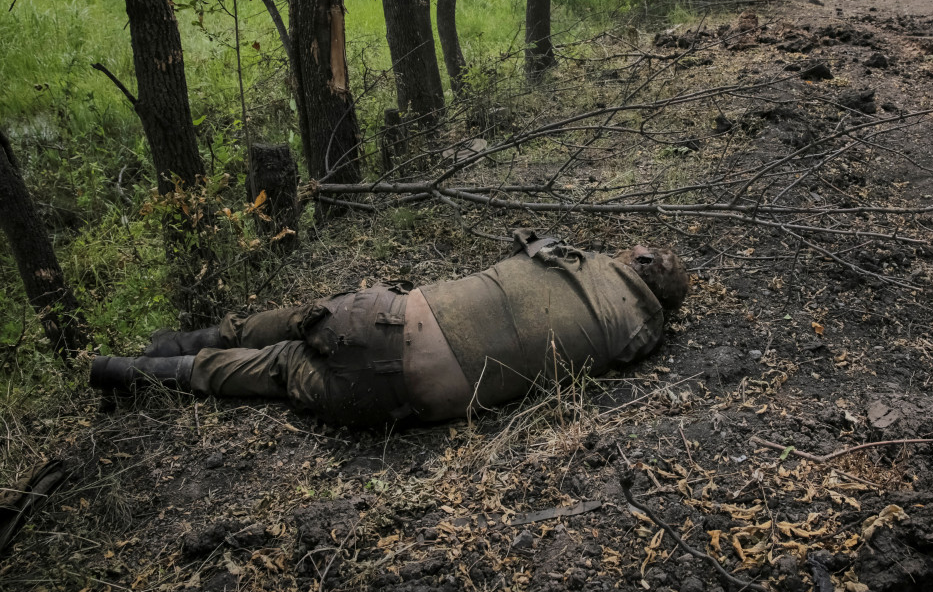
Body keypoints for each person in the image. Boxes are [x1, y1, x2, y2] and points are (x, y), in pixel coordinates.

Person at [89, 230, 688, 428]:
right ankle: (141, 372)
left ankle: (182, 341)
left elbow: (528, 245)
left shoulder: (581, 260)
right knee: (280, 368)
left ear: (636, 265)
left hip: (383, 321)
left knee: (297, 324)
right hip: (391, 403)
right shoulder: (634, 338)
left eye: (639, 250)